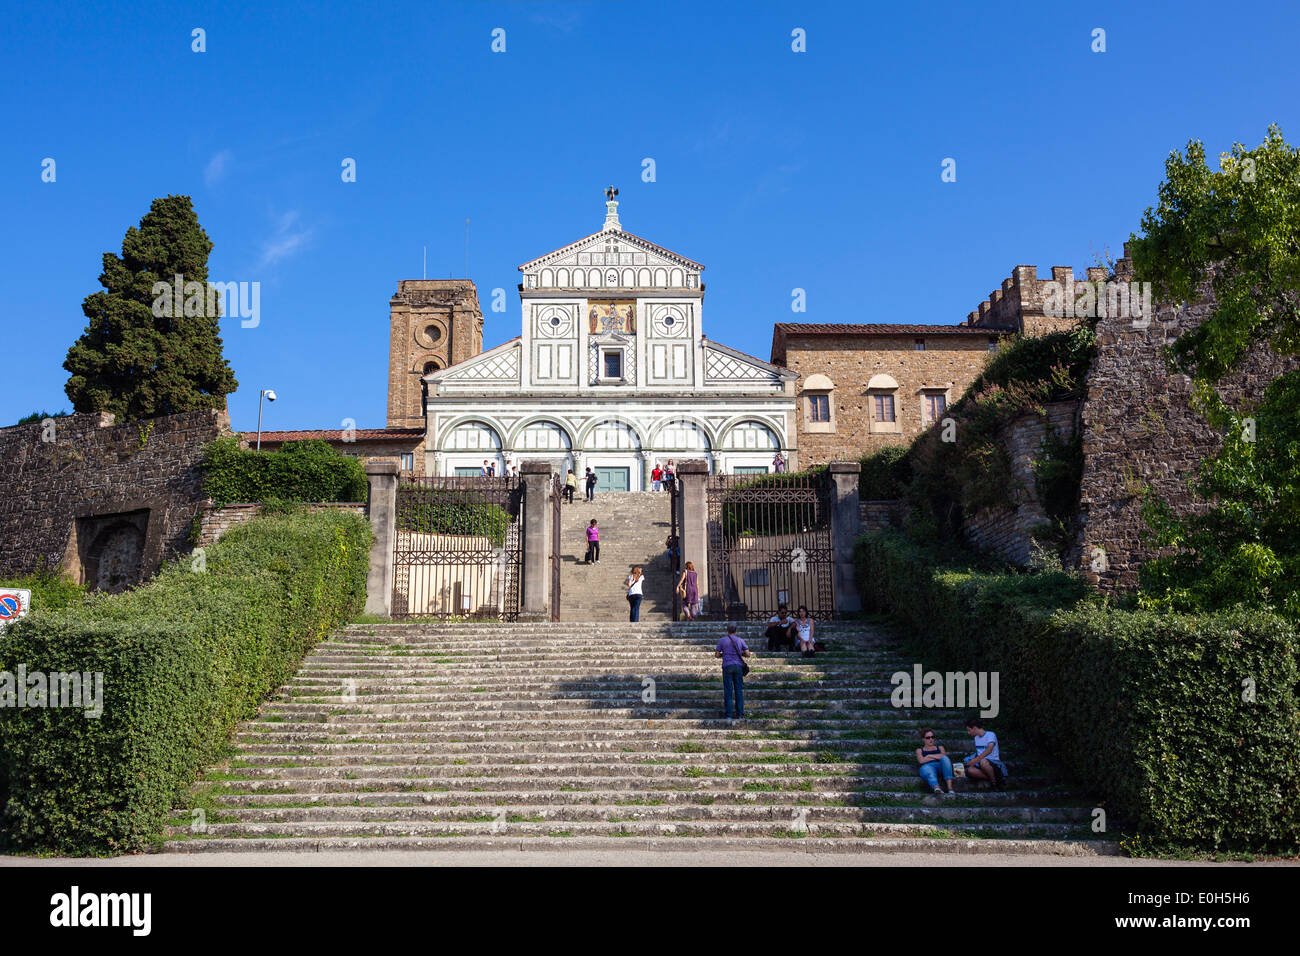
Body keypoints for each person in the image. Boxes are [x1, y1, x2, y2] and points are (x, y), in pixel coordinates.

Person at [714, 622, 751, 721]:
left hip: (727, 666)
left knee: (728, 690)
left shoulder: (722, 640)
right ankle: (740, 714)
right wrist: (740, 653)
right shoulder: (740, 640)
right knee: (738, 690)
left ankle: (729, 714)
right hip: (738, 666)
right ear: (736, 630)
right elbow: (748, 654)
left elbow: (717, 655)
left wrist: (724, 654)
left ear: (726, 630)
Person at [962, 718, 1007, 791]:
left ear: (975, 728)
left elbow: (989, 749)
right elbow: (979, 753)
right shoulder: (976, 738)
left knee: (983, 761)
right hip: (980, 763)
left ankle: (994, 784)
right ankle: (998, 778)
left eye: (969, 730)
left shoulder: (990, 734)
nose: (968, 733)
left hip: (993, 762)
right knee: (970, 770)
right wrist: (971, 761)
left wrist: (976, 760)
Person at [916, 729, 955, 798]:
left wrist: (929, 756)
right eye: (928, 738)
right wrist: (937, 757)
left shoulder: (940, 747)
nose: (931, 739)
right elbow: (921, 761)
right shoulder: (919, 750)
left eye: (932, 737)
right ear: (923, 739)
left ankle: (950, 788)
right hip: (927, 768)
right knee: (927, 768)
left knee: (945, 759)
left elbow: (944, 756)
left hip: (940, 767)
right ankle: (937, 788)